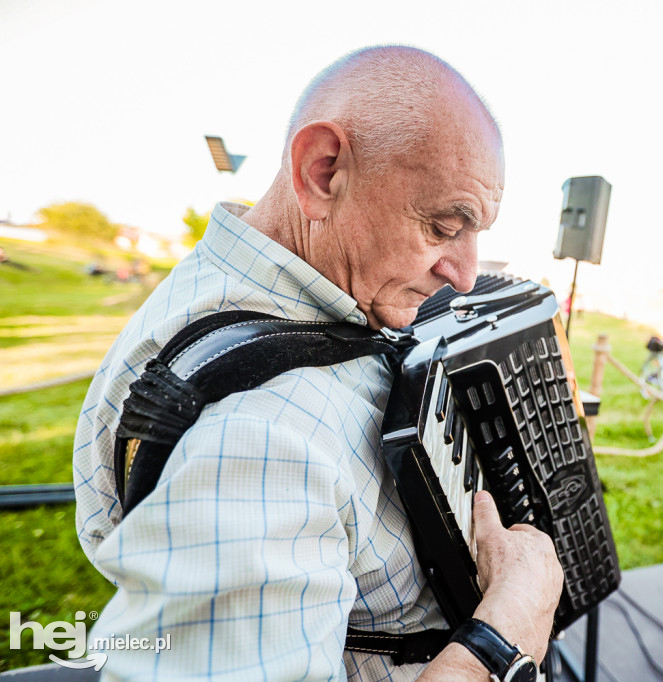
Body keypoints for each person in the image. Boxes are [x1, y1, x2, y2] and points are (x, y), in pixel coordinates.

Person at [73, 46, 562, 681]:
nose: (465, 277)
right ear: (323, 171)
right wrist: (506, 633)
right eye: (444, 228)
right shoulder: (258, 442)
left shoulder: (291, 296)